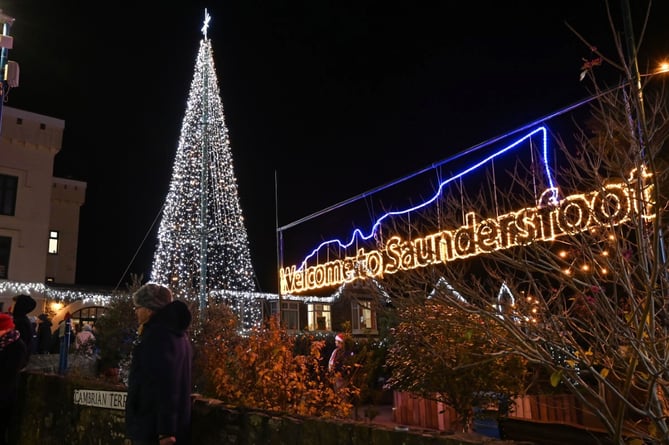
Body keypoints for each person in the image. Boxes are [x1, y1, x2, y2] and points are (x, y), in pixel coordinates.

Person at [126, 283, 193, 445]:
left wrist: (165, 431)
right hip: (165, 426)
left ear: (149, 309)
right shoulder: (178, 336)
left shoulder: (157, 336)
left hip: (152, 428)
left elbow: (166, 383)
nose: (136, 312)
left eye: (138, 307)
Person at [0, 313, 28, 445]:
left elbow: (9, 374)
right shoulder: (3, 344)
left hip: (4, 395)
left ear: (5, 329)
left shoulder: (16, 346)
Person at [11, 294, 36, 361]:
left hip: (14, 362)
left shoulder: (20, 322)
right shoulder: (21, 320)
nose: (11, 306)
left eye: (14, 304)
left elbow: (19, 346)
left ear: (19, 306)